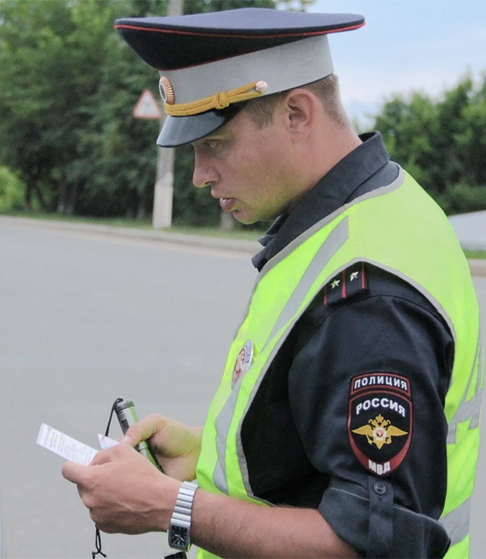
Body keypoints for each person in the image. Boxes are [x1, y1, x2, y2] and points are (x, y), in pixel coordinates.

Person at [62, 7, 483, 559]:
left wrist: (172, 507)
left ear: (297, 114)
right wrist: (212, 461)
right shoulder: (378, 209)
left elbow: (374, 544)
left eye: (214, 144)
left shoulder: (365, 293)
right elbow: (324, 450)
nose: (199, 174)